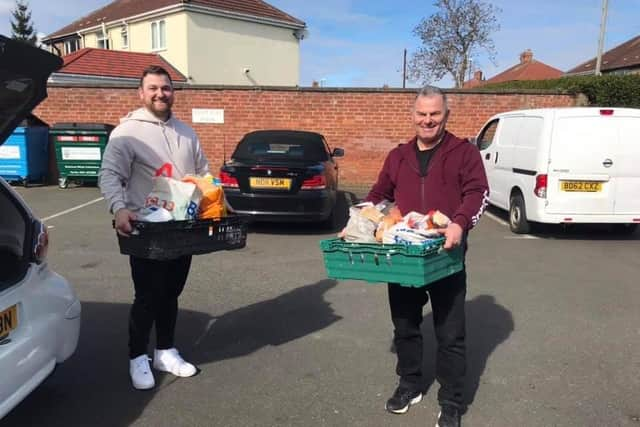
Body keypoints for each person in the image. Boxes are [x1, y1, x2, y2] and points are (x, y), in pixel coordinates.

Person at [364, 85, 489, 427]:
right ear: (413, 116)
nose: (428, 120)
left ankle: (451, 401)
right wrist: (361, 218)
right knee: (404, 326)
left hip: (444, 256)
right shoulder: (398, 155)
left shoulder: (464, 152)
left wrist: (460, 224)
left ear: (446, 116)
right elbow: (379, 194)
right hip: (404, 254)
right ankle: (409, 383)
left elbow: (477, 192)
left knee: (451, 333)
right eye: (422, 114)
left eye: (435, 114)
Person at [99, 65, 209, 390]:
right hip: (146, 230)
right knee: (147, 295)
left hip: (182, 228)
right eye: (153, 88)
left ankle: (165, 350)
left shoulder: (187, 133)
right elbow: (108, 175)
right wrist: (118, 209)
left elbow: (202, 172)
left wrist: (212, 197)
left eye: (166, 88)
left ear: (173, 92)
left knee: (172, 292)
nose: (160, 93)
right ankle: (137, 357)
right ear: (141, 93)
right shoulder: (127, 132)